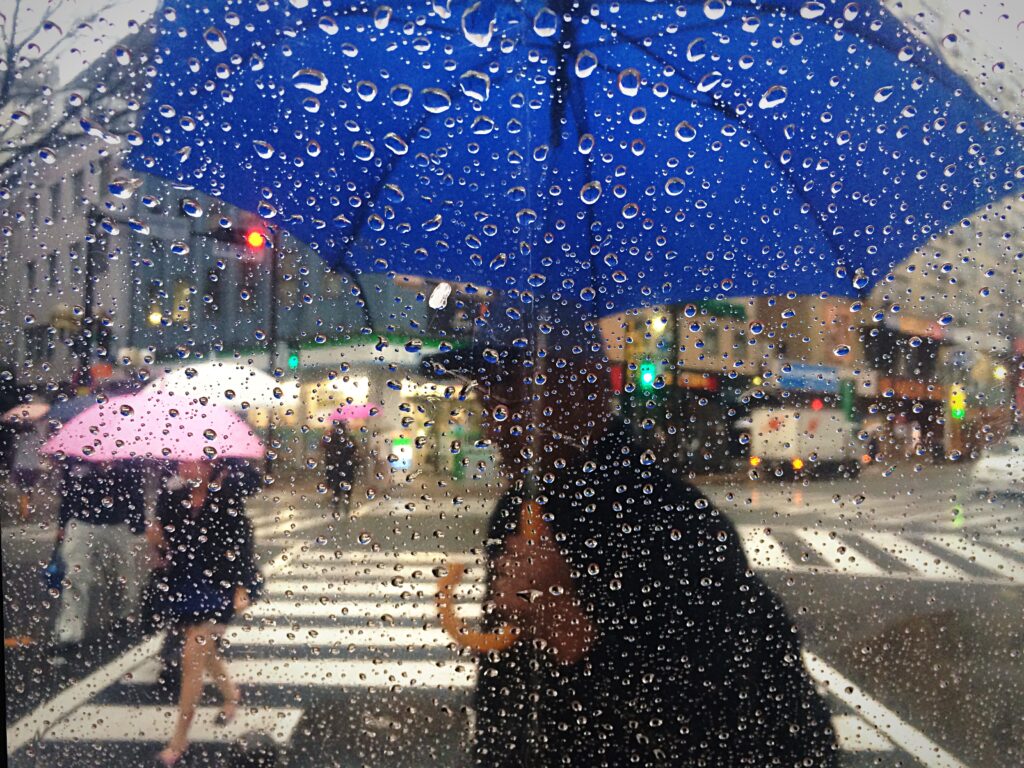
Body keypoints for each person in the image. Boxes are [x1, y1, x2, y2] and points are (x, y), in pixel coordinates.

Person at [427, 308, 838, 767]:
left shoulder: (678, 523)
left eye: (509, 400)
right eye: (487, 403)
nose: (492, 427)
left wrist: (569, 626)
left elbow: (750, 727)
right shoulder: (516, 512)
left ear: (582, 389)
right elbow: (503, 695)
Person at [148, 459, 263, 767]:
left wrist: (242, 587)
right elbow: (167, 544)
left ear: (211, 465)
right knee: (206, 652)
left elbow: (242, 545)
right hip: (185, 587)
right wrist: (156, 539)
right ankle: (231, 694)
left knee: (192, 658)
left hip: (219, 588)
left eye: (195, 461)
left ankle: (178, 740)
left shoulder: (226, 498)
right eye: (183, 461)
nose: (187, 467)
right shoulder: (173, 496)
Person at [52, 459, 147, 658]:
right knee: (75, 579)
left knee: (121, 578)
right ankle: (69, 634)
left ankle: (122, 615)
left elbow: (136, 493)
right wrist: (62, 523)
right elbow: (67, 492)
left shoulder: (127, 462)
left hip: (116, 524)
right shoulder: (77, 459)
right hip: (81, 523)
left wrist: (138, 523)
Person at [323, 421, 358, 516]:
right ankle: (346, 506)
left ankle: (336, 506)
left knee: (337, 488)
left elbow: (327, 454)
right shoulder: (349, 438)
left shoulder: (331, 439)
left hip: (336, 468)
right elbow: (354, 451)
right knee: (347, 488)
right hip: (347, 467)